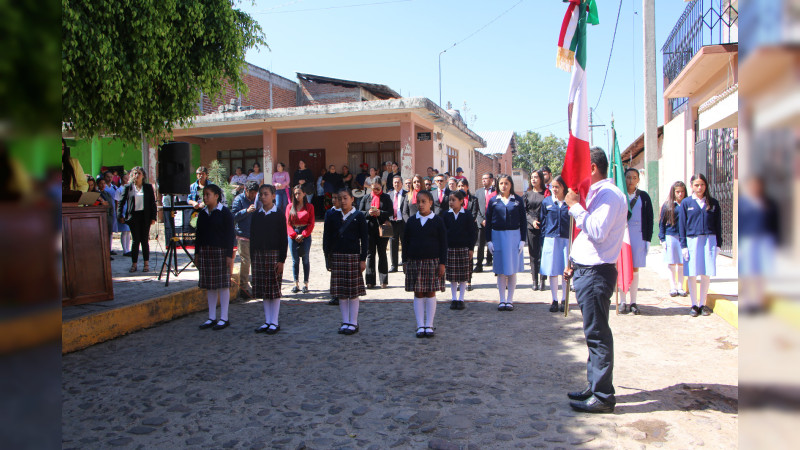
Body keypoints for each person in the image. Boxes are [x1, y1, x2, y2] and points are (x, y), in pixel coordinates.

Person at [562, 147, 628, 414]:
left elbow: (598, 232)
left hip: (596, 273)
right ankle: (595, 384)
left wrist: (575, 207)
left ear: (591, 168)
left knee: (598, 334)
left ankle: (603, 395)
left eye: (580, 169)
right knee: (593, 333)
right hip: (586, 270)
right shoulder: (599, 194)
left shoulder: (609, 195)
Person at [323, 188, 369, 335]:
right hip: (337, 256)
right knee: (342, 292)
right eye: (339, 198)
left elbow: (365, 239)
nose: (342, 201)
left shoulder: (359, 216)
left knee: (353, 292)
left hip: (353, 257)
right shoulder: (332, 216)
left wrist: (362, 259)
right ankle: (345, 321)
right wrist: (327, 257)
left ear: (352, 199)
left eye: (345, 198)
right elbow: (327, 238)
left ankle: (353, 322)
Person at [403, 190, 447, 338]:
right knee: (418, 292)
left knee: (430, 292)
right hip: (414, 262)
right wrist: (404, 261)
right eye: (418, 201)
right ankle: (420, 324)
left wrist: (442, 263)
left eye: (424, 201)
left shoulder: (437, 221)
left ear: (430, 203)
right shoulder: (411, 221)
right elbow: (406, 241)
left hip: (432, 262)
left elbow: (443, 244)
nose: (421, 204)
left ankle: (429, 324)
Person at [678, 173, 722, 317]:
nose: (700, 187)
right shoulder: (686, 203)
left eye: (702, 184)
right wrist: (683, 245)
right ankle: (694, 304)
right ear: (691, 186)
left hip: (709, 240)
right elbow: (682, 226)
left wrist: (719, 244)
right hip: (692, 240)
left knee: (705, 273)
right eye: (696, 185)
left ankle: (703, 304)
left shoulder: (713, 203)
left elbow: (718, 224)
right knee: (692, 273)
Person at [195, 184, 236, 331]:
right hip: (206, 252)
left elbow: (230, 235)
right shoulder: (203, 213)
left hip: (220, 252)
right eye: (204, 195)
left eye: (208, 195)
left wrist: (229, 255)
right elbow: (198, 235)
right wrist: (197, 253)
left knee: (223, 285)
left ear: (217, 196)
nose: (205, 197)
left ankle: (224, 318)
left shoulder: (225, 213)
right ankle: (211, 317)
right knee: (210, 286)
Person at [739, 175, 780, 314]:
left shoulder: (770, 203)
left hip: (765, 240)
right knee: (749, 271)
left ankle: (758, 301)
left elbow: (775, 223)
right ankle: (748, 301)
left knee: (762, 272)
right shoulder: (743, 203)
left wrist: (777, 243)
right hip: (748, 240)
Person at [250, 184, 288, 335]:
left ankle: (275, 321)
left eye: (266, 194)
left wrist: (281, 259)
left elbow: (282, 239)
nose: (263, 197)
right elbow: (252, 237)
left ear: (273, 196)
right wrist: (253, 256)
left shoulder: (278, 214)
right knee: (264, 290)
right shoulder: (256, 215)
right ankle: (267, 320)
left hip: (274, 255)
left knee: (274, 288)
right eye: (261, 194)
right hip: (259, 254)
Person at [486, 174, 526, 311]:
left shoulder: (518, 201)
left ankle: (510, 300)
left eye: (506, 183)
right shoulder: (493, 201)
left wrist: (522, 240)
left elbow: (524, 222)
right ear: (498, 185)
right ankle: (502, 299)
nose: (504, 186)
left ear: (511, 185)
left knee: (512, 270)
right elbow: (488, 221)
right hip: (497, 236)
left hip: (514, 236)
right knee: (501, 270)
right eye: (501, 183)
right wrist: (488, 241)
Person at [618, 168, 654, 315]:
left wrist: (648, 239)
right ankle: (622, 301)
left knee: (635, 269)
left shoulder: (644, 196)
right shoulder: (620, 195)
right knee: (622, 267)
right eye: (628, 177)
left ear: (638, 179)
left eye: (634, 177)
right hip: (623, 235)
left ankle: (633, 301)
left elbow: (649, 218)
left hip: (638, 236)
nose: (631, 180)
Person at [539, 176, 571, 312]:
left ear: (563, 187)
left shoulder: (570, 202)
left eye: (557, 186)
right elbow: (543, 221)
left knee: (565, 271)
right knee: (552, 271)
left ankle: (564, 299)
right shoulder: (547, 202)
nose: (554, 189)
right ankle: (554, 299)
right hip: (551, 239)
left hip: (565, 239)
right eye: (552, 187)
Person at [117, 166, 157, 273]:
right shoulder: (128, 187)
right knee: (135, 241)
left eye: (139, 173)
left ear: (143, 175)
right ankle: (134, 264)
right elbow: (121, 202)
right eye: (134, 173)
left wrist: (153, 217)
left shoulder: (148, 187)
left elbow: (153, 203)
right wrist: (120, 215)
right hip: (133, 216)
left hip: (145, 217)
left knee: (144, 240)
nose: (136, 175)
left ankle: (146, 264)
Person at [443, 190, 476, 310]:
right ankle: (453, 298)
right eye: (450, 200)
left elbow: (472, 233)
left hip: (463, 248)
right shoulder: (446, 214)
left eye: (454, 200)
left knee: (463, 276)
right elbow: (443, 232)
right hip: (450, 248)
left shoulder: (467, 214)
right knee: (452, 276)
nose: (451, 202)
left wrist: (471, 248)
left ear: (461, 201)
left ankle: (461, 299)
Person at [359, 180, 392, 289]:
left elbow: (391, 212)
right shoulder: (366, 198)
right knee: (370, 254)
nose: (376, 191)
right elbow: (360, 213)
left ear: (381, 187)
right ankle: (370, 281)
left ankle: (383, 280)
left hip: (382, 228)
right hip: (369, 229)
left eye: (378, 188)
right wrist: (369, 213)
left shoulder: (386, 197)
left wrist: (380, 212)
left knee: (382, 253)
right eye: (373, 189)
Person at [659, 181, 688, 298]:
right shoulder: (668, 205)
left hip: (684, 236)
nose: (680, 194)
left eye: (682, 191)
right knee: (671, 262)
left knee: (681, 263)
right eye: (678, 192)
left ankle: (680, 287)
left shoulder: (687, 204)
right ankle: (673, 287)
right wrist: (662, 239)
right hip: (671, 235)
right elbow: (662, 223)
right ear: (673, 192)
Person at [232, 181, 259, 298]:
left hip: (255, 235)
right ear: (246, 190)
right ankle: (243, 286)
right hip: (242, 235)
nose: (253, 196)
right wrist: (246, 211)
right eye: (251, 193)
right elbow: (233, 216)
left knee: (255, 261)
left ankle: (255, 284)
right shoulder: (239, 199)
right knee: (245, 261)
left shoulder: (257, 200)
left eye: (255, 193)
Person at [286, 185, 315, 294]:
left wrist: (303, 234)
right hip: (293, 233)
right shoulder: (289, 207)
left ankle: (306, 283)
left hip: (305, 234)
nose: (297, 195)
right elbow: (288, 224)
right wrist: (294, 235)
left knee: (305, 259)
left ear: (304, 194)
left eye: (299, 193)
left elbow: (311, 223)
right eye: (295, 193)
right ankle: (296, 283)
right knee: (295, 260)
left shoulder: (309, 207)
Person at [524, 170, 550, 291]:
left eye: (536, 177)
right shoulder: (527, 194)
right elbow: (525, 212)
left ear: (541, 179)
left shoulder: (546, 194)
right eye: (532, 177)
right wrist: (532, 221)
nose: (533, 179)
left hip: (544, 227)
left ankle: (542, 279)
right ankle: (534, 280)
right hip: (531, 227)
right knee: (533, 254)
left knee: (543, 254)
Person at [474, 173, 496, 272]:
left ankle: (491, 261)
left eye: (485, 178)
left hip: (493, 222)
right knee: (481, 244)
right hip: (481, 222)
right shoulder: (478, 192)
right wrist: (481, 220)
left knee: (493, 242)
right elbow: (476, 208)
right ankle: (479, 264)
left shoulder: (496, 192)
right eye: (482, 178)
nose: (483, 180)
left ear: (491, 180)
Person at [324, 191, 343, 305]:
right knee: (335, 273)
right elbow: (326, 233)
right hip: (333, 247)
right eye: (333, 198)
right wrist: (326, 251)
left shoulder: (348, 213)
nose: (334, 200)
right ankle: (335, 295)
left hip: (345, 247)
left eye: (337, 198)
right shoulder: (329, 213)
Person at [387, 176, 407, 272]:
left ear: (401, 183)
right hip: (392, 223)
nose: (396, 184)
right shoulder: (389, 195)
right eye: (394, 182)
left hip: (403, 223)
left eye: (398, 182)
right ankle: (394, 265)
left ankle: (404, 264)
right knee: (393, 244)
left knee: (404, 244)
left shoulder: (406, 194)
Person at [95, 177, 115, 259]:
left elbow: (111, 205)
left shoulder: (107, 194)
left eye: (104, 183)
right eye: (101, 183)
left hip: (109, 216)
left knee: (108, 235)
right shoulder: (96, 194)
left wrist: (111, 216)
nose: (103, 185)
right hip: (100, 217)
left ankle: (108, 252)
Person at [114, 171, 132, 256]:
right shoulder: (119, 190)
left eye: (128, 178)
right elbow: (117, 202)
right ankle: (125, 249)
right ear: (121, 179)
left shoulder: (129, 188)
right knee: (124, 231)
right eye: (125, 178)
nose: (127, 180)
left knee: (128, 231)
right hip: (123, 212)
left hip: (129, 211)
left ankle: (128, 248)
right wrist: (119, 213)